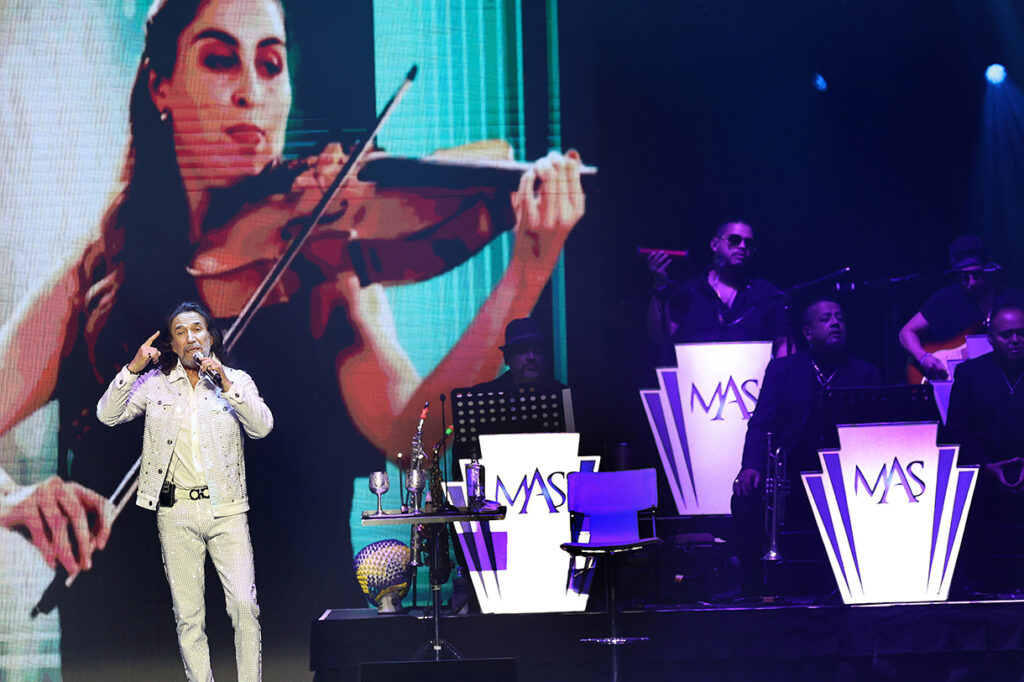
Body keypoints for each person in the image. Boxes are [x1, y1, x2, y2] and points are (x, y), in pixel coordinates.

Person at [0, 0, 586, 671]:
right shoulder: (92, 282)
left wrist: (525, 275)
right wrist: (15, 498)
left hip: (299, 659)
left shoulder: (323, 270)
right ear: (160, 86)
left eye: (271, 64)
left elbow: (411, 434)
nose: (251, 90)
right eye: (220, 60)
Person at [97, 301, 271, 681]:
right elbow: (107, 415)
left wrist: (225, 384)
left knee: (244, 606)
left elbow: (262, 428)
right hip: (176, 513)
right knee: (189, 616)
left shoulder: (236, 380)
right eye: (180, 332)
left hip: (227, 509)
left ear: (210, 337)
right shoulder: (155, 384)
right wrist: (132, 369)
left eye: (197, 329)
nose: (190, 337)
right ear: (173, 345)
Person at [731, 299, 882, 597]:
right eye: (826, 319)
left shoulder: (866, 373)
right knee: (745, 496)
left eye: (840, 317)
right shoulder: (783, 370)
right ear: (808, 332)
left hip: (847, 475)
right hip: (792, 475)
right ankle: (751, 586)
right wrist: (750, 466)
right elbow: (761, 424)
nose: (835, 323)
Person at [943, 304, 1024, 593]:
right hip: (983, 475)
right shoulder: (971, 373)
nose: (1015, 340)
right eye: (1007, 334)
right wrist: (988, 467)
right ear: (990, 338)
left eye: (1021, 333)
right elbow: (956, 432)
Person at [647, 220, 790, 365]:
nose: (742, 246)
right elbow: (658, 337)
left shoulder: (766, 293)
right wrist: (659, 285)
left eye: (749, 243)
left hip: (753, 378)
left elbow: (783, 343)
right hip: (696, 376)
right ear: (715, 244)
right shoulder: (690, 290)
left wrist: (781, 376)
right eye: (734, 240)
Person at [899, 236, 1024, 381]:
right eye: (964, 277)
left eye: (977, 275)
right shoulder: (946, 299)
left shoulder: (1014, 299)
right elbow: (906, 332)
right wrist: (923, 358)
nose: (971, 283)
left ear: (988, 270)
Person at [471, 317, 566, 390]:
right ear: (507, 359)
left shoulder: (564, 395)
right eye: (522, 351)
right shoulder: (484, 394)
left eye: (537, 350)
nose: (531, 357)